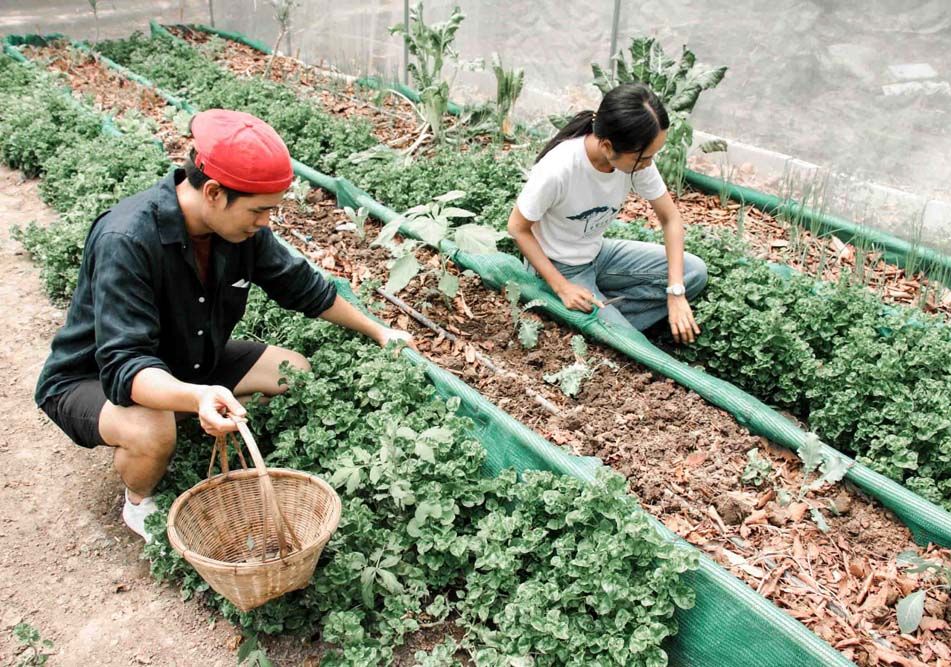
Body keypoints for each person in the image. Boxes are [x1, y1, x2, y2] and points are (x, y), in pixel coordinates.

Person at [34, 109, 413, 542]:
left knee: (293, 372)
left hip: (189, 362)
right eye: (259, 211)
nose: (265, 222)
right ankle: (140, 503)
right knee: (153, 429)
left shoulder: (240, 233)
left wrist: (378, 331)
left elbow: (302, 287)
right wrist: (197, 396)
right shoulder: (127, 240)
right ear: (214, 192)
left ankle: (192, 414)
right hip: (91, 378)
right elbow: (125, 364)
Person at [507, 82, 707, 342]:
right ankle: (605, 327)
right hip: (561, 267)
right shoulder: (559, 169)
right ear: (608, 147)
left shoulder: (636, 162)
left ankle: (603, 323)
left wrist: (676, 292)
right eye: (644, 157)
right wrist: (562, 287)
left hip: (597, 254)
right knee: (629, 344)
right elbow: (517, 228)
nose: (649, 164)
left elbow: (671, 219)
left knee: (694, 272)